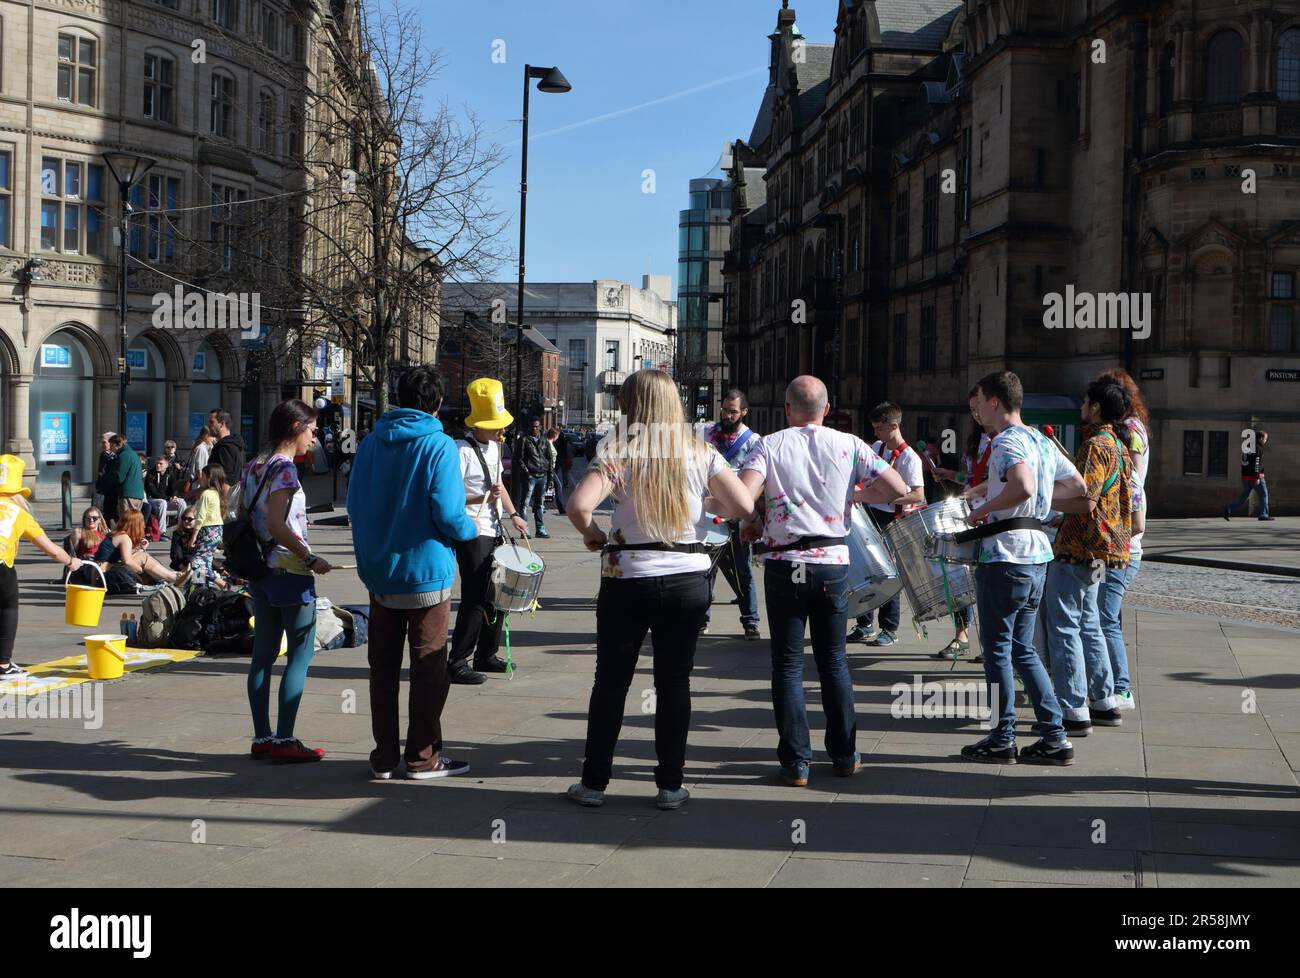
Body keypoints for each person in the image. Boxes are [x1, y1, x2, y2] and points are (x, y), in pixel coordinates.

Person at [566, 369, 754, 809]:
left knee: (610, 682)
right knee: (674, 683)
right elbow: (743, 506)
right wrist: (708, 504)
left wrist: (593, 534)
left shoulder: (617, 450)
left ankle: (594, 783)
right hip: (688, 576)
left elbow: (578, 505)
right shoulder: (701, 451)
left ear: (631, 405)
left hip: (628, 576)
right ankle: (670, 785)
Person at [739, 377, 909, 787]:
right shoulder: (850, 444)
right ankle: (844, 755)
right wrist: (851, 494)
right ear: (827, 409)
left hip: (785, 563)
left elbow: (744, 495)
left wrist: (754, 520)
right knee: (833, 661)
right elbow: (899, 489)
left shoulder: (769, 444)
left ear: (786, 409)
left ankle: (796, 762)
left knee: (788, 664)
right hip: (832, 563)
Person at [349, 367, 478, 780]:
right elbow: (448, 512)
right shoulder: (438, 445)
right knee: (429, 667)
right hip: (425, 573)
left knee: (382, 668)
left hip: (380, 572)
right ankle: (423, 758)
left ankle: (384, 757)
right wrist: (470, 530)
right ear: (437, 403)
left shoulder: (370, 443)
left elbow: (354, 505)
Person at [961, 371, 1085, 765]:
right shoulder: (1041, 440)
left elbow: (1024, 486)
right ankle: (1055, 736)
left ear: (995, 401)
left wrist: (983, 510)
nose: (976, 409)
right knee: (1023, 651)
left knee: (998, 651)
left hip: (1005, 556)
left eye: (978, 401)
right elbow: (1079, 489)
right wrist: (1042, 505)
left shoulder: (1007, 441)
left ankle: (1002, 736)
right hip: (1036, 557)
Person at [241, 400, 333, 764]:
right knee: (301, 652)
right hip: (289, 569)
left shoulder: (254, 466)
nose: (315, 437)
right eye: (312, 430)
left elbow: (252, 519)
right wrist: (309, 557)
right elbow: (279, 525)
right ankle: (285, 739)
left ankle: (263, 736)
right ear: (296, 427)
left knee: (262, 654)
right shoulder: (285, 471)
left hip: (260, 569)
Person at [1042, 380, 1132, 737]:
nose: (1081, 405)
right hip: (1103, 548)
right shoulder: (1118, 445)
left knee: (1064, 626)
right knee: (1089, 624)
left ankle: (1073, 708)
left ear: (1095, 407)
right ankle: (1103, 702)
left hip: (1079, 547)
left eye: (1084, 401)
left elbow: (1087, 501)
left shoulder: (1096, 445)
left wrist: (1042, 500)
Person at [448, 379, 529, 686]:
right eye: (495, 426)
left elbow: (499, 487)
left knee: (499, 594)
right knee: (475, 596)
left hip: (493, 528)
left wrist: (514, 514)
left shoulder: (496, 447)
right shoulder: (460, 451)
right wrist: (481, 498)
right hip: (472, 530)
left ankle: (486, 653)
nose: (501, 431)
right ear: (478, 425)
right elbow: (449, 495)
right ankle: (457, 660)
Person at [0, 456, 87, 679]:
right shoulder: (19, 513)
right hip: (1, 566)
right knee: (7, 608)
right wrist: (71, 561)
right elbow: (52, 550)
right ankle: (3, 665)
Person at [849, 402, 926, 647]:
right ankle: (864, 623)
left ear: (894, 426)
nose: (876, 434)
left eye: (880, 429)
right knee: (865, 567)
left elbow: (918, 495)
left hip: (893, 519)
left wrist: (886, 496)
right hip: (871, 513)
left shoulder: (909, 458)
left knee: (889, 573)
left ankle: (889, 628)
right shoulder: (877, 447)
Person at [1095, 368, 1149, 711]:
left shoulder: (1128, 431)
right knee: (1105, 617)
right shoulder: (1130, 429)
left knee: (1104, 617)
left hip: (1122, 543)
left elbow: (1133, 483)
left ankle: (1121, 688)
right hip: (1120, 540)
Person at [700, 388, 764, 640]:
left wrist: (746, 509)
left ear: (744, 412)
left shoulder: (753, 441)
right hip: (708, 513)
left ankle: (750, 622)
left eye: (733, 411)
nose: (727, 415)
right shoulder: (705, 434)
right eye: (725, 410)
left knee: (743, 571)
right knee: (706, 570)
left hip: (737, 516)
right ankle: (700, 619)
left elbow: (759, 482)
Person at [92, 510, 179, 584]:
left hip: (98, 572)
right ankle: (173, 578)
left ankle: (169, 575)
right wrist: (140, 570)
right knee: (143, 557)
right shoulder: (124, 537)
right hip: (104, 573)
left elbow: (122, 556)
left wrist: (141, 549)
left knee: (140, 554)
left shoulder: (115, 534)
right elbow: (127, 561)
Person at [189, 463, 231, 588]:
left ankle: (221, 583)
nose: (200, 478)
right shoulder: (216, 493)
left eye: (202, 476)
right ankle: (200, 588)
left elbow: (200, 517)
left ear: (209, 478)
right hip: (217, 530)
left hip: (207, 530)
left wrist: (193, 536)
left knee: (198, 562)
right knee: (205, 561)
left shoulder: (206, 494)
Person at [1224, 430, 1272, 521]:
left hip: (1246, 476)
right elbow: (1257, 463)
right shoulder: (1258, 448)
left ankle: (1229, 508)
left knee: (1244, 495)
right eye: (1265, 439)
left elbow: (1244, 462)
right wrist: (1257, 477)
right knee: (1264, 494)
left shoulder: (1248, 446)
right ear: (1261, 438)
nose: (1265, 441)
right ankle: (1264, 514)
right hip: (1255, 476)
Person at [518, 418, 553, 538]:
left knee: (540, 504)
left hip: (542, 475)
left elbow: (549, 458)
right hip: (530, 476)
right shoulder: (524, 440)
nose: (534, 429)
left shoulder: (544, 440)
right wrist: (527, 472)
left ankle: (540, 529)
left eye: (536, 426)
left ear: (540, 427)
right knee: (525, 503)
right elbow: (519, 458)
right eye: (533, 426)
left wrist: (550, 476)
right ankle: (524, 529)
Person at [144, 455, 185, 533]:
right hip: (152, 499)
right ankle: (161, 531)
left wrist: (174, 496)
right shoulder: (150, 474)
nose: (158, 465)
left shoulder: (170, 473)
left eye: (160, 464)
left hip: (167, 499)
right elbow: (154, 492)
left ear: (166, 465)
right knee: (162, 503)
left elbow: (174, 488)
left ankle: (181, 529)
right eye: (157, 463)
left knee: (182, 502)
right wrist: (169, 498)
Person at [109, 434, 145, 517]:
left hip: (128, 495)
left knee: (126, 523)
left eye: (111, 445)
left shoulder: (124, 455)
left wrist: (109, 478)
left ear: (117, 445)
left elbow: (119, 477)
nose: (110, 448)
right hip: (138, 495)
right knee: (134, 523)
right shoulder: (133, 454)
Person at [212, 411, 247, 482]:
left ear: (222, 424)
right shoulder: (234, 444)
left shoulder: (225, 447)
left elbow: (227, 479)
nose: (208, 425)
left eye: (211, 422)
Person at [95, 432, 119, 519]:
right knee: (106, 513)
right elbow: (101, 471)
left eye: (104, 442)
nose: (102, 445)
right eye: (102, 442)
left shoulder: (117, 455)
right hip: (105, 488)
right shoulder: (103, 455)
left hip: (114, 488)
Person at [545, 427, 568, 515]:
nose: (558, 437)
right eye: (558, 435)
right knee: (558, 486)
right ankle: (561, 509)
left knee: (545, 488)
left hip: (551, 468)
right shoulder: (547, 443)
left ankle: (539, 505)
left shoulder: (550, 443)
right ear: (555, 435)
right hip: (549, 469)